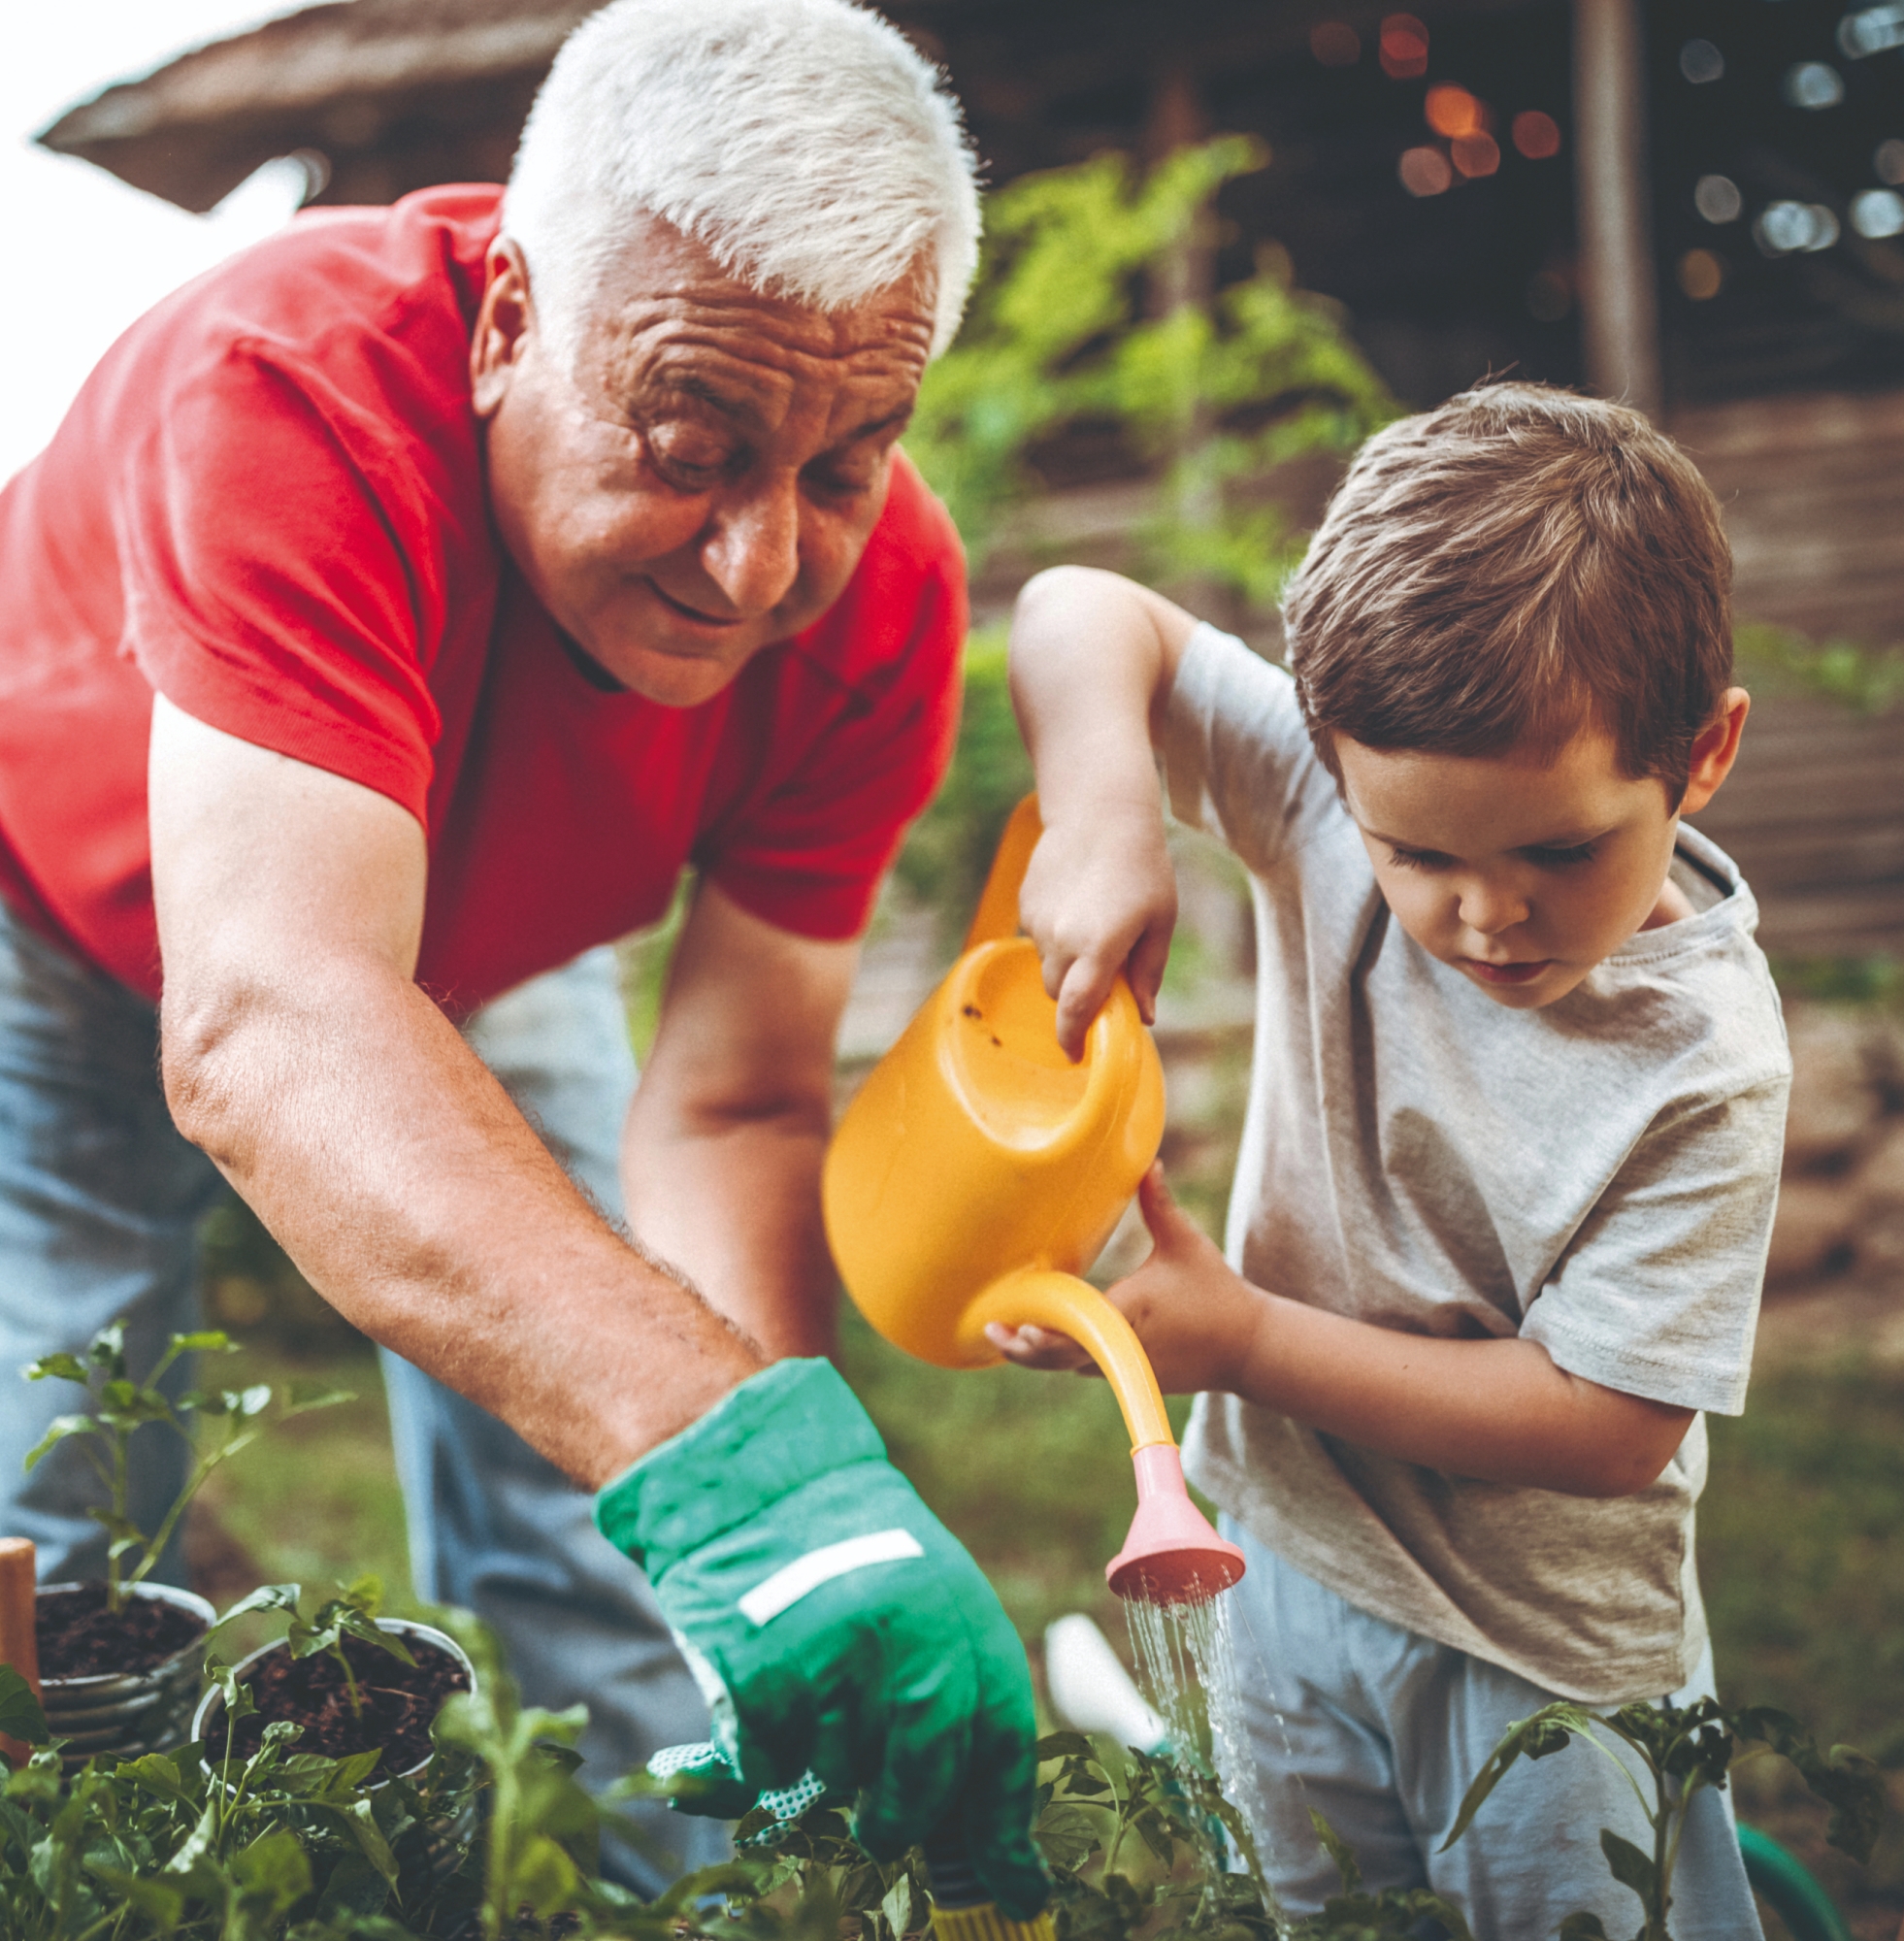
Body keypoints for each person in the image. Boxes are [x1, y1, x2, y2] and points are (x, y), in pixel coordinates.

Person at [0, 0, 1046, 1910]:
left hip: (471, 940)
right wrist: (725, 1452)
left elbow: (731, 1100)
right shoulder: (288, 390)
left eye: (841, 461)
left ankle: (679, 1893)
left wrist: (793, 1503)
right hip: (64, 912)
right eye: (689, 443)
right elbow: (279, 1021)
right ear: (506, 324)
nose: (757, 568)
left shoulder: (877, 597)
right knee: (70, 1480)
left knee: (607, 1500)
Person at [996, 384, 1784, 1937]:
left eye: (1559, 852)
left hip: (1543, 1657)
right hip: (1278, 1560)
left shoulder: (1701, 1061)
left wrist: (1243, 1340)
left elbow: (1609, 1424)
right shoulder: (1316, 793)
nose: (1487, 918)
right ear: (1329, 759)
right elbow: (1078, 608)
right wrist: (1104, 810)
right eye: (1418, 855)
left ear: (1701, 755)